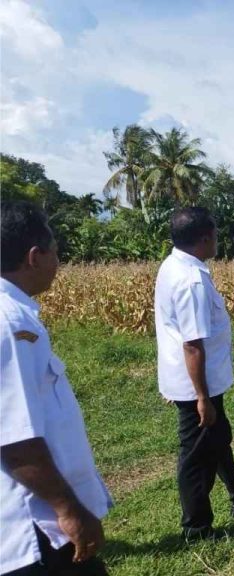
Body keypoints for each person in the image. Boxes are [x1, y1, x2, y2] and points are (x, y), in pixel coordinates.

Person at [1, 201, 112, 575]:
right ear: (35, 256)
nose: (58, 263)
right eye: (57, 252)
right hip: (36, 528)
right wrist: (68, 509)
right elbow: (16, 438)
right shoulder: (11, 323)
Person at [154, 207, 234, 542]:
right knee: (196, 457)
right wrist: (202, 398)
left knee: (219, 441)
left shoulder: (175, 264)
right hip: (196, 387)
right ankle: (197, 527)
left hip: (198, 382)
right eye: (216, 235)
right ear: (205, 238)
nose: (217, 240)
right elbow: (192, 345)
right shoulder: (190, 281)